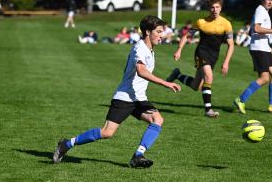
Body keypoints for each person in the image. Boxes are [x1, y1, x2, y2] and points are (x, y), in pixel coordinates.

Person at [53, 15, 181, 168]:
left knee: (157, 120)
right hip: (125, 97)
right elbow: (141, 71)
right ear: (147, 32)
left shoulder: (150, 50)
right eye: (159, 31)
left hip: (139, 98)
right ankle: (66, 145)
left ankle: (138, 156)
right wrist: (165, 83)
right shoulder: (139, 48)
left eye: (162, 32)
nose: (162, 35)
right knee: (107, 132)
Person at [166, 0, 234, 118]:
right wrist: (179, 49)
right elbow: (187, 36)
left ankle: (177, 75)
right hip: (201, 52)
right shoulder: (201, 22)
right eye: (212, 7)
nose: (215, 10)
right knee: (209, 76)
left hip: (214, 56)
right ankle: (208, 110)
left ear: (221, 8)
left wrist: (226, 62)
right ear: (209, 9)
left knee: (195, 86)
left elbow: (231, 45)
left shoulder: (226, 24)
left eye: (217, 7)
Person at [233, 0, 272, 114]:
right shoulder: (260, 10)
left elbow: (251, 31)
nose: (270, 2)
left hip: (264, 48)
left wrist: (267, 45)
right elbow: (256, 28)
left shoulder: (264, 11)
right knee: (264, 78)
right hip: (258, 49)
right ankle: (240, 100)